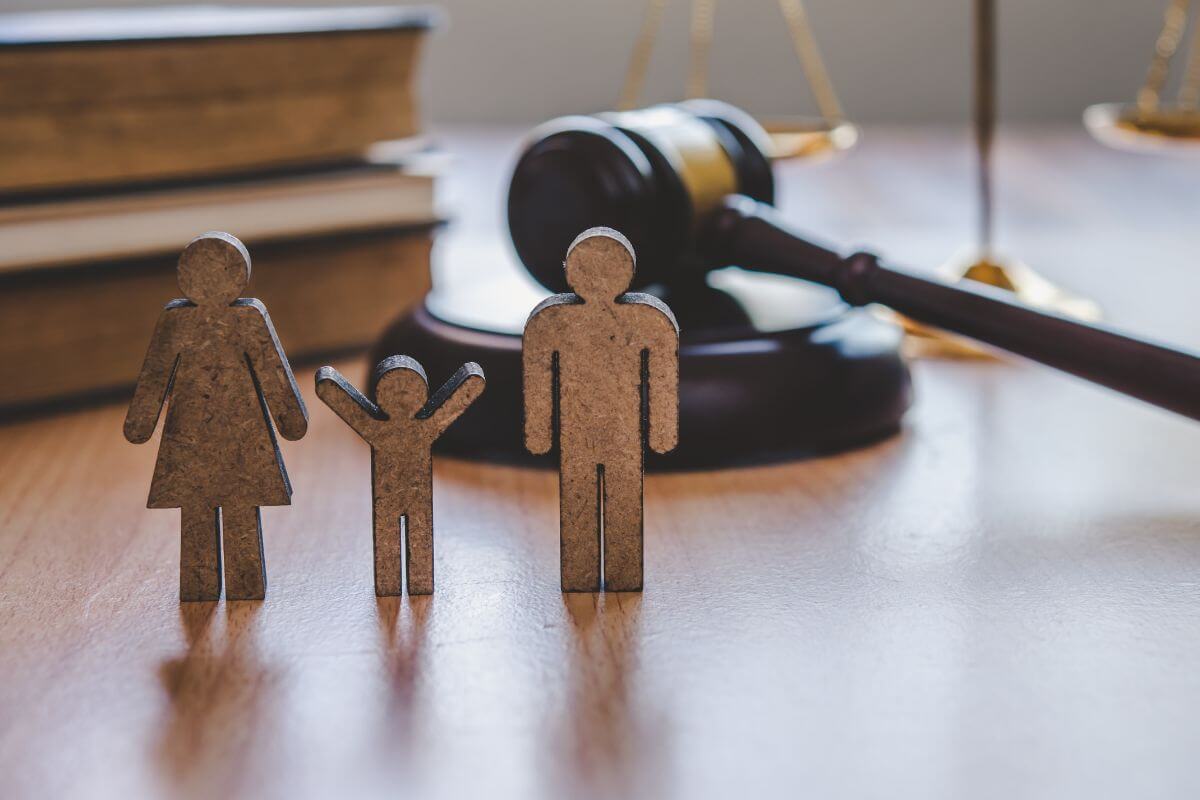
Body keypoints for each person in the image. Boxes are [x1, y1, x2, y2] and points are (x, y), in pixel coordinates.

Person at [124, 232, 307, 601]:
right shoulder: (180, 321)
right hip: (205, 438)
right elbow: (155, 376)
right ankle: (211, 586)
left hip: (228, 438)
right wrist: (290, 421)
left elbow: (272, 371)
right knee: (203, 510)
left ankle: (235, 584)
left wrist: (140, 424)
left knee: (222, 508)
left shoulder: (246, 318)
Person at [523, 228, 679, 592]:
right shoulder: (551, 322)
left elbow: (662, 373)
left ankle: (619, 573)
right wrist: (539, 434)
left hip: (623, 434)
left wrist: (661, 433)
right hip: (580, 433)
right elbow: (538, 377)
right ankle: (582, 573)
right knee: (580, 497)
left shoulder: (648, 321)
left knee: (622, 496)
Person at [315, 356, 484, 595]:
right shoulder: (406, 427)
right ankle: (396, 584)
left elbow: (457, 397)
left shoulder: (409, 426)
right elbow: (459, 397)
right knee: (395, 538)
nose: (402, 398)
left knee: (414, 536)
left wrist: (328, 384)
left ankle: (409, 583)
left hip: (407, 495)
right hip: (393, 496)